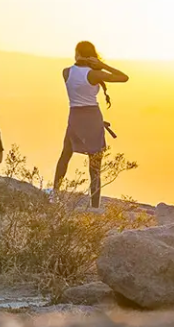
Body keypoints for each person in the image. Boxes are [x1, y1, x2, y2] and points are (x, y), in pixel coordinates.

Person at [51, 41, 129, 207]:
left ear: (77, 53)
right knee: (95, 166)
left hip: (75, 116)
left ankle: (55, 194)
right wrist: (103, 65)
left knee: (65, 155)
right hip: (93, 117)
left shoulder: (66, 72)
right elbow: (124, 77)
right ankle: (95, 206)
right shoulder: (95, 74)